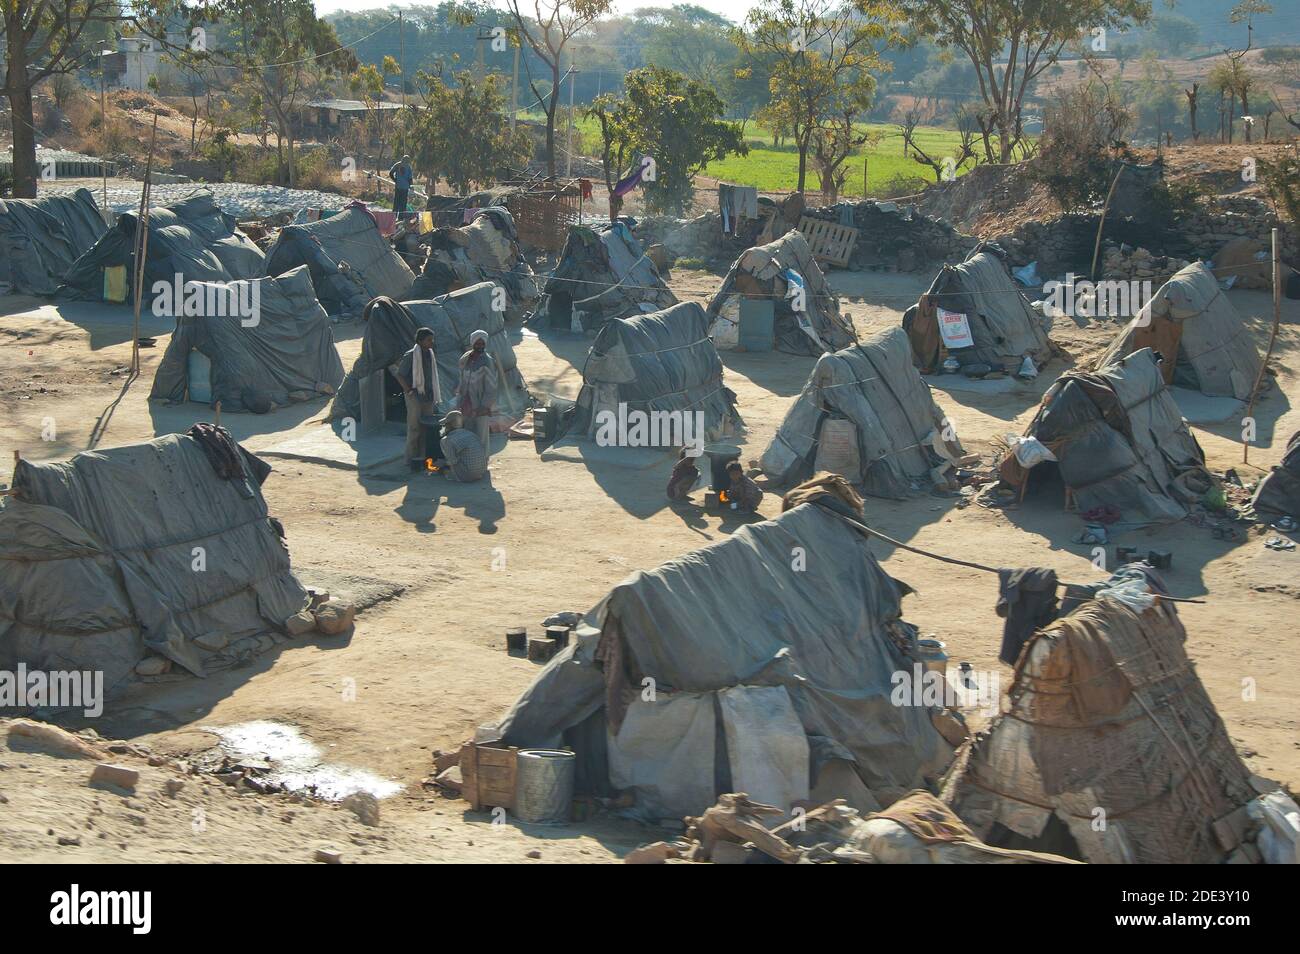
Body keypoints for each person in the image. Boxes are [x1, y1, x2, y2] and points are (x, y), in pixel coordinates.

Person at [394, 327, 439, 471]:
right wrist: (408, 390)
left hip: (428, 396)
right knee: (414, 428)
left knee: (427, 429)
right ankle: (410, 459)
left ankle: (424, 458)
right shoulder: (411, 355)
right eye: (429, 340)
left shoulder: (430, 354)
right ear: (420, 341)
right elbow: (399, 374)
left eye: (432, 339)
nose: (432, 342)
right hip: (414, 396)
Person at [456, 329, 498, 451]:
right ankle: (470, 460)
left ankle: (483, 461)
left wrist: (484, 406)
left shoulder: (488, 361)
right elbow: (460, 378)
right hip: (466, 402)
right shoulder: (465, 358)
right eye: (478, 343)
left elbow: (492, 387)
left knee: (482, 434)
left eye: (482, 344)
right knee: (467, 432)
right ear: (472, 343)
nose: (480, 346)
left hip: (480, 403)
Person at [438, 410, 488, 482]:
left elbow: (453, 461)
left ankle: (455, 475)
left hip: (467, 476)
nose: (444, 427)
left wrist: (442, 463)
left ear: (449, 425)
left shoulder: (446, 440)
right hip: (481, 472)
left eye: (445, 425)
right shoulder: (471, 434)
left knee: (444, 469)